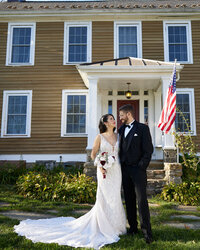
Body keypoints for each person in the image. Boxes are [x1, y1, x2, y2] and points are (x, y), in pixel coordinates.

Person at [14, 114, 126, 250]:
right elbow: (93, 154)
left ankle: (116, 225)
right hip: (103, 170)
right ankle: (104, 225)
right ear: (106, 123)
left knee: (115, 196)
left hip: (116, 170)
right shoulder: (100, 137)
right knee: (105, 196)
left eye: (114, 119)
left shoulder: (118, 136)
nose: (114, 121)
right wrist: (101, 165)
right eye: (111, 119)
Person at [118, 104, 154, 244]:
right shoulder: (121, 130)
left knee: (141, 201)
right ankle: (133, 228)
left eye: (121, 115)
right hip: (125, 169)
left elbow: (148, 150)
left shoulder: (143, 128)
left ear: (128, 114)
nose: (120, 118)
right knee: (129, 199)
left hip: (138, 170)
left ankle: (147, 232)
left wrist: (141, 166)